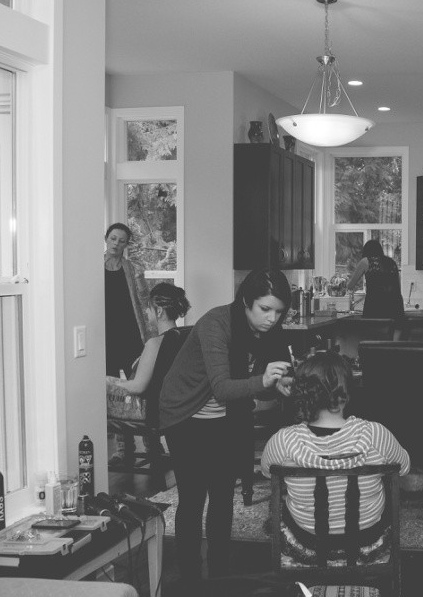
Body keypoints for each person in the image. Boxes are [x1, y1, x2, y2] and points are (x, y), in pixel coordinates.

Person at [158, 268, 294, 584]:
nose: (272, 318)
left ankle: (220, 577)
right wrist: (263, 381)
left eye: (278, 311)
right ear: (246, 301)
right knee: (193, 497)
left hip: (225, 415)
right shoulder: (215, 325)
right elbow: (223, 387)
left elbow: (262, 378)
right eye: (265, 309)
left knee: (222, 494)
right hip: (184, 413)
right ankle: (189, 579)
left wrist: (279, 383)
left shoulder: (267, 329)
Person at [262, 351, 410, 562]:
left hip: (308, 541)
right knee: (386, 481)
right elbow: (404, 467)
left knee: (277, 501)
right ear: (347, 392)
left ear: (303, 394)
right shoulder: (376, 433)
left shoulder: (283, 440)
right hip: (366, 540)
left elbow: (268, 473)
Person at [110, 282, 191, 463]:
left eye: (149, 308)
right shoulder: (185, 336)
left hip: (152, 412)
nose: (147, 312)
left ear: (159, 311)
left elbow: (138, 387)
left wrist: (110, 383)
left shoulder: (154, 344)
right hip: (179, 407)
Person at [104, 222, 154, 465]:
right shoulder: (93, 269)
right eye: (113, 238)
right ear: (106, 239)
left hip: (132, 334)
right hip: (106, 337)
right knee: (112, 394)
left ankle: (151, 444)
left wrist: (151, 335)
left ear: (126, 244)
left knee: (141, 387)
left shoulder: (132, 269)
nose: (116, 244)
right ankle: (123, 449)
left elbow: (145, 303)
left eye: (121, 241)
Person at [345, 239, 404, 319]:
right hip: (394, 306)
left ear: (365, 251)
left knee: (374, 330)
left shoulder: (365, 261)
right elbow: (397, 286)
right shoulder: (391, 262)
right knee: (391, 330)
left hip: (375, 306)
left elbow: (351, 285)